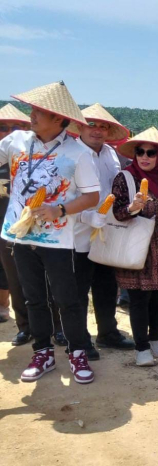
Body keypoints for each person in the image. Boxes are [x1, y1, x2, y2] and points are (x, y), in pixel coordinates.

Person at [1, 81, 100, 383]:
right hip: (18, 236)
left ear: (59, 119)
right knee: (33, 299)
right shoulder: (16, 141)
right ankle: (42, 352)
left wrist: (59, 210)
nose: (31, 115)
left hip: (57, 239)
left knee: (66, 298)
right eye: (32, 110)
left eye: (39, 112)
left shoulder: (77, 153)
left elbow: (92, 195)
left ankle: (78, 352)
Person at [112, 128, 158, 366]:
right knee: (139, 298)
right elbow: (117, 213)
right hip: (138, 248)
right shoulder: (125, 177)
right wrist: (133, 207)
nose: (144, 157)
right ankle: (141, 347)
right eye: (140, 152)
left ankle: (156, 339)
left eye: (151, 153)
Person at [70, 103, 135, 359]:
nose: (97, 131)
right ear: (80, 127)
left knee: (107, 287)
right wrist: (86, 215)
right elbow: (63, 196)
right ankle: (80, 339)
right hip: (77, 234)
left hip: (107, 232)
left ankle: (107, 332)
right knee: (77, 290)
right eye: (92, 125)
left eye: (103, 126)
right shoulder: (71, 153)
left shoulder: (111, 154)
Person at [0, 103, 32, 344]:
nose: (9, 131)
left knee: (30, 275)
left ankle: (47, 323)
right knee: (10, 274)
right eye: (3, 127)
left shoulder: (30, 155)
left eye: (16, 127)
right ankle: (23, 324)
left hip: (25, 222)